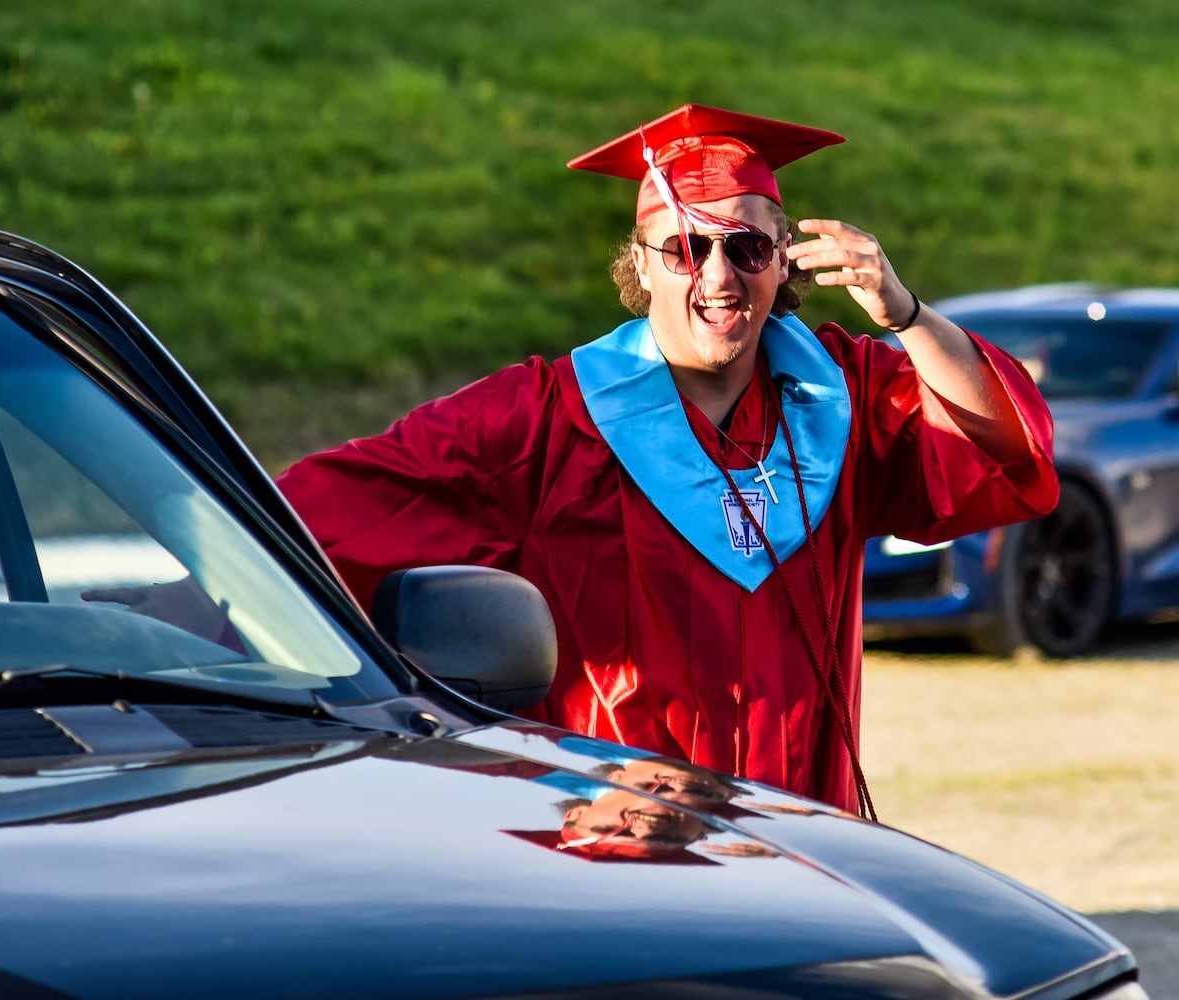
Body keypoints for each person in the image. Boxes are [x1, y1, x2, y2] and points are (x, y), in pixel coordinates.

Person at [269, 103, 1058, 821]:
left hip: (806, 833)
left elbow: (1006, 455)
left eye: (747, 247)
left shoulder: (842, 395)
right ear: (639, 265)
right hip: (619, 843)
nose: (718, 275)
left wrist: (908, 317)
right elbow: (314, 518)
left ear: (784, 262)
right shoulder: (546, 418)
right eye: (684, 248)